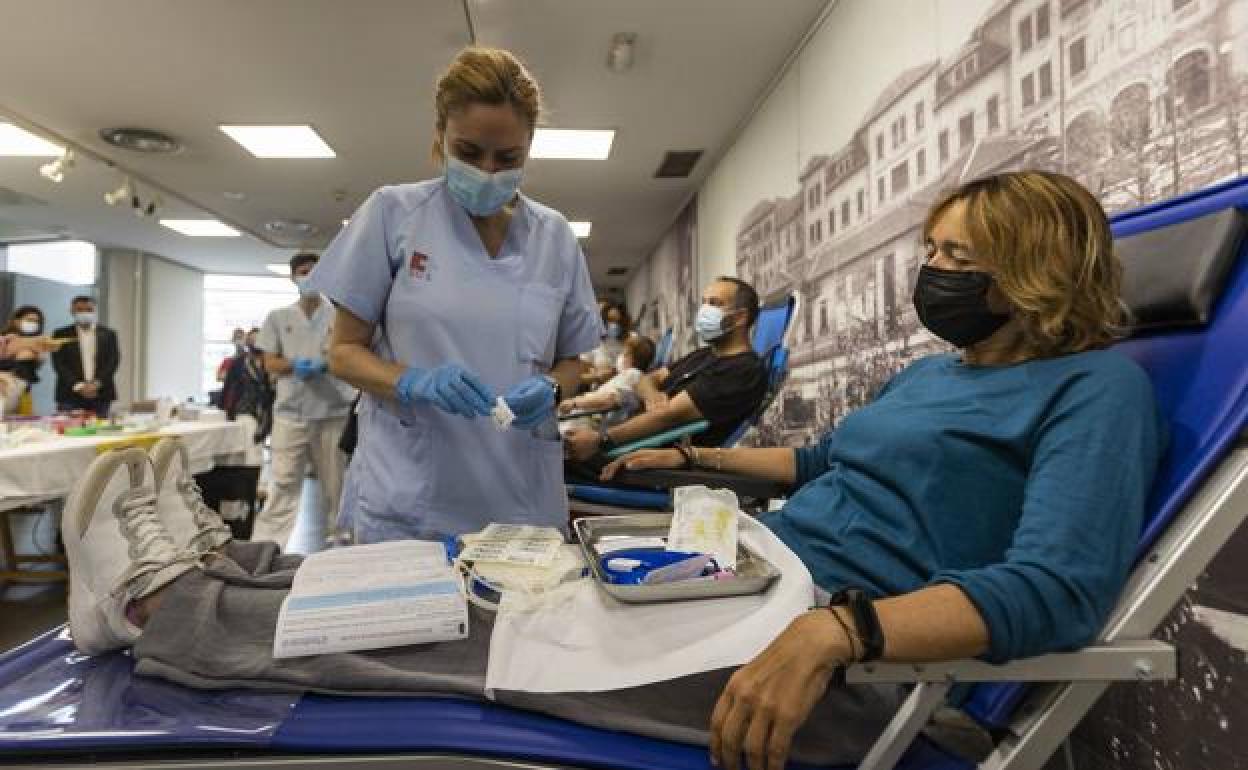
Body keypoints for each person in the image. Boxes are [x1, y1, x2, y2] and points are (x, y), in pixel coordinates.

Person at [59, 171, 1164, 770]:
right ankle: (234, 570)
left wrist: (841, 631)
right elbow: (824, 459)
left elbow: (1056, 586)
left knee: (470, 631)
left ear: (1033, 269)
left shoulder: (1094, 391)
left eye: (956, 258)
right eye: (929, 252)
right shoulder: (941, 373)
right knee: (477, 579)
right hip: (740, 573)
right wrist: (687, 458)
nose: (930, 274)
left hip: (819, 650)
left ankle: (165, 607)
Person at [303, 46, 601, 544]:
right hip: (413, 491)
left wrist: (551, 389)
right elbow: (343, 353)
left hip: (520, 489)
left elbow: (573, 362)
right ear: (440, 137)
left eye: (507, 158)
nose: (487, 170)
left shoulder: (555, 237)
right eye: (468, 152)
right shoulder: (393, 215)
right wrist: (411, 381)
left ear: (529, 147)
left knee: (520, 618)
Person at [563, 276, 767, 467]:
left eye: (714, 303)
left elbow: (667, 416)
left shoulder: (742, 370)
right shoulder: (705, 355)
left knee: (547, 454)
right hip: (621, 438)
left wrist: (600, 440)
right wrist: (651, 393)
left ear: (740, 317)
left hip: (636, 457)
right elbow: (647, 378)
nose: (704, 310)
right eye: (704, 302)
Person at [250, 253, 356, 549]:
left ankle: (343, 546)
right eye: (303, 271)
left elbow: (352, 356)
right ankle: (265, 549)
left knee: (337, 485)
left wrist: (329, 365)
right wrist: (295, 365)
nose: (309, 276)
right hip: (291, 413)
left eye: (315, 271)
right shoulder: (278, 318)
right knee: (283, 483)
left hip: (332, 411)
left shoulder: (339, 317)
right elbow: (269, 362)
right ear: (293, 276)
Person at [559, 334, 656, 427]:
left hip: (582, 424)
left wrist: (574, 403)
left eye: (624, 353)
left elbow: (609, 399)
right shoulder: (625, 376)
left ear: (631, 358)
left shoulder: (633, 374)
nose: (621, 356)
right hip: (577, 419)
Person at [51, 295, 120, 417]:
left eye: (89, 310)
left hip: (101, 394)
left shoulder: (109, 334)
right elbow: (59, 364)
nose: (84, 313)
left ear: (95, 311)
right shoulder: (60, 334)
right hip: (69, 395)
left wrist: (96, 384)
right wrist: (79, 386)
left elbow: (113, 361)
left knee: (101, 433)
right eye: (80, 310)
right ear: (72, 311)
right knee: (68, 432)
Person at [221, 326, 274, 443]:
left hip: (266, 411)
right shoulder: (239, 362)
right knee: (251, 447)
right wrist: (225, 410)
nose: (255, 343)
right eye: (252, 340)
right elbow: (228, 386)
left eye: (258, 340)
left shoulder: (271, 363)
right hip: (244, 409)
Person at [0, 305, 49, 414]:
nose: (33, 324)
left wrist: (37, 357)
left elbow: (30, 372)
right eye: (30, 320)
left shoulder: (38, 343)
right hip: (3, 389)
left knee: (22, 426)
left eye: (37, 322)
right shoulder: (4, 339)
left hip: (23, 392)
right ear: (16, 321)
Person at [580, 301, 632, 388]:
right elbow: (580, 377)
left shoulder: (631, 339)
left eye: (618, 321)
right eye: (611, 320)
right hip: (600, 389)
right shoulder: (592, 343)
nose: (614, 325)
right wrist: (597, 376)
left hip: (626, 388)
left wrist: (614, 372)